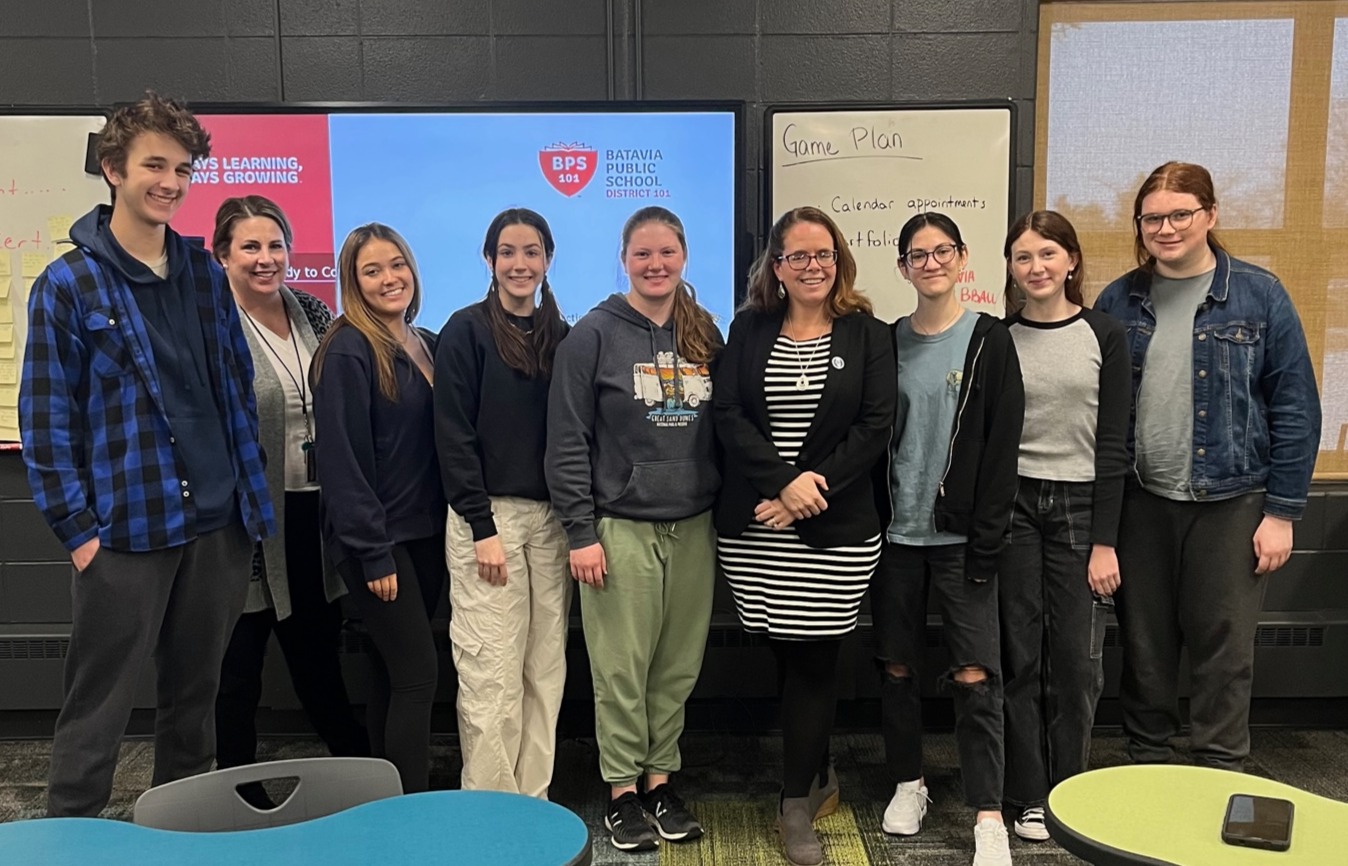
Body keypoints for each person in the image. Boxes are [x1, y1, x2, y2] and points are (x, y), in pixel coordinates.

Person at [19, 92, 274, 817]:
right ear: (112, 169)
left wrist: (247, 511)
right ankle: (71, 841)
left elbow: (233, 391)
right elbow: (44, 420)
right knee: (96, 711)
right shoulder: (68, 284)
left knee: (194, 708)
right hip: (125, 534)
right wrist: (81, 537)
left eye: (182, 168)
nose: (170, 181)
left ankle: (179, 836)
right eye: (154, 165)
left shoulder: (202, 274)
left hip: (217, 526)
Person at [1094, 162, 1320, 771]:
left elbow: (1297, 406)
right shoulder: (1119, 299)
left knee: (1224, 650)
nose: (1165, 228)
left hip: (1233, 501)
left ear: (1210, 216)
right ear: (1139, 226)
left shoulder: (1259, 294)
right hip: (1141, 500)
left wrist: (1282, 512)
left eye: (1179, 215)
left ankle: (1219, 771)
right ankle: (1147, 764)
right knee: (1144, 648)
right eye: (1152, 218)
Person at [714, 207, 895, 866]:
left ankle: (795, 800)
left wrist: (805, 493)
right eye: (798, 256)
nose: (812, 266)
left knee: (815, 657)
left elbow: (875, 429)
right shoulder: (750, 328)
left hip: (835, 526)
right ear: (777, 266)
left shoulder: (868, 334)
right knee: (786, 654)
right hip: (758, 528)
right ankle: (816, 774)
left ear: (839, 261)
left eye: (823, 254)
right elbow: (727, 415)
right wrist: (780, 485)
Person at [545, 206, 721, 852]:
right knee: (621, 669)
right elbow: (566, 441)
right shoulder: (591, 335)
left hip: (694, 526)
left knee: (676, 668)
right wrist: (580, 532)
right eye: (643, 254)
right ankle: (621, 791)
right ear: (624, 258)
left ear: (683, 256)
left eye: (667, 253)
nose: (655, 265)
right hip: (619, 528)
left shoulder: (703, 330)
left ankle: (659, 781)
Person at [872, 212, 1024, 866]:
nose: (930, 263)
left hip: (964, 542)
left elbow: (1000, 453)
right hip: (895, 538)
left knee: (975, 674)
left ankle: (988, 812)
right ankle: (910, 782)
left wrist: (987, 542)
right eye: (917, 254)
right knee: (897, 668)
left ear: (963, 259)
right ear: (902, 267)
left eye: (942, 252)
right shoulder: (884, 344)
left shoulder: (991, 341)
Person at [211, 196, 367, 801]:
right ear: (223, 255)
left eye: (275, 245)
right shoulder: (215, 326)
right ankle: (237, 796)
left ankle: (358, 771)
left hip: (312, 512)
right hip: (246, 521)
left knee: (317, 655)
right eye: (249, 246)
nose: (265, 258)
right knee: (238, 671)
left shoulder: (310, 309)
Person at [997, 210, 1129, 842]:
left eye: (1048, 254)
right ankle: (1026, 795)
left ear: (1071, 260)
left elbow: (1114, 445)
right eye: (1023, 257)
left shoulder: (1105, 335)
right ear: (1012, 269)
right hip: (1016, 507)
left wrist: (1106, 541)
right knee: (1021, 658)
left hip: (1081, 508)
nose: (1036, 268)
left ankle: (1069, 790)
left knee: (1076, 663)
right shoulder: (998, 339)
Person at [434, 208, 571, 797]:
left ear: (547, 259)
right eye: (508, 252)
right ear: (489, 260)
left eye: (532, 251)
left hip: (552, 523)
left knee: (546, 668)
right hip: (485, 519)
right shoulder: (465, 331)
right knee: (491, 674)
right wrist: (480, 525)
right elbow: (453, 436)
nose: (521, 263)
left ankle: (533, 800)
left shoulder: (561, 335)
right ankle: (492, 811)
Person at [310, 223, 447, 794]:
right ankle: (410, 814)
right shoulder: (347, 350)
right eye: (372, 270)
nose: (389, 278)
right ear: (353, 282)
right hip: (379, 543)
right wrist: (373, 554)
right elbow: (342, 464)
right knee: (418, 676)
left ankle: (381, 799)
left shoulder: (426, 341)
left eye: (397, 265)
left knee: (392, 675)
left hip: (425, 534)